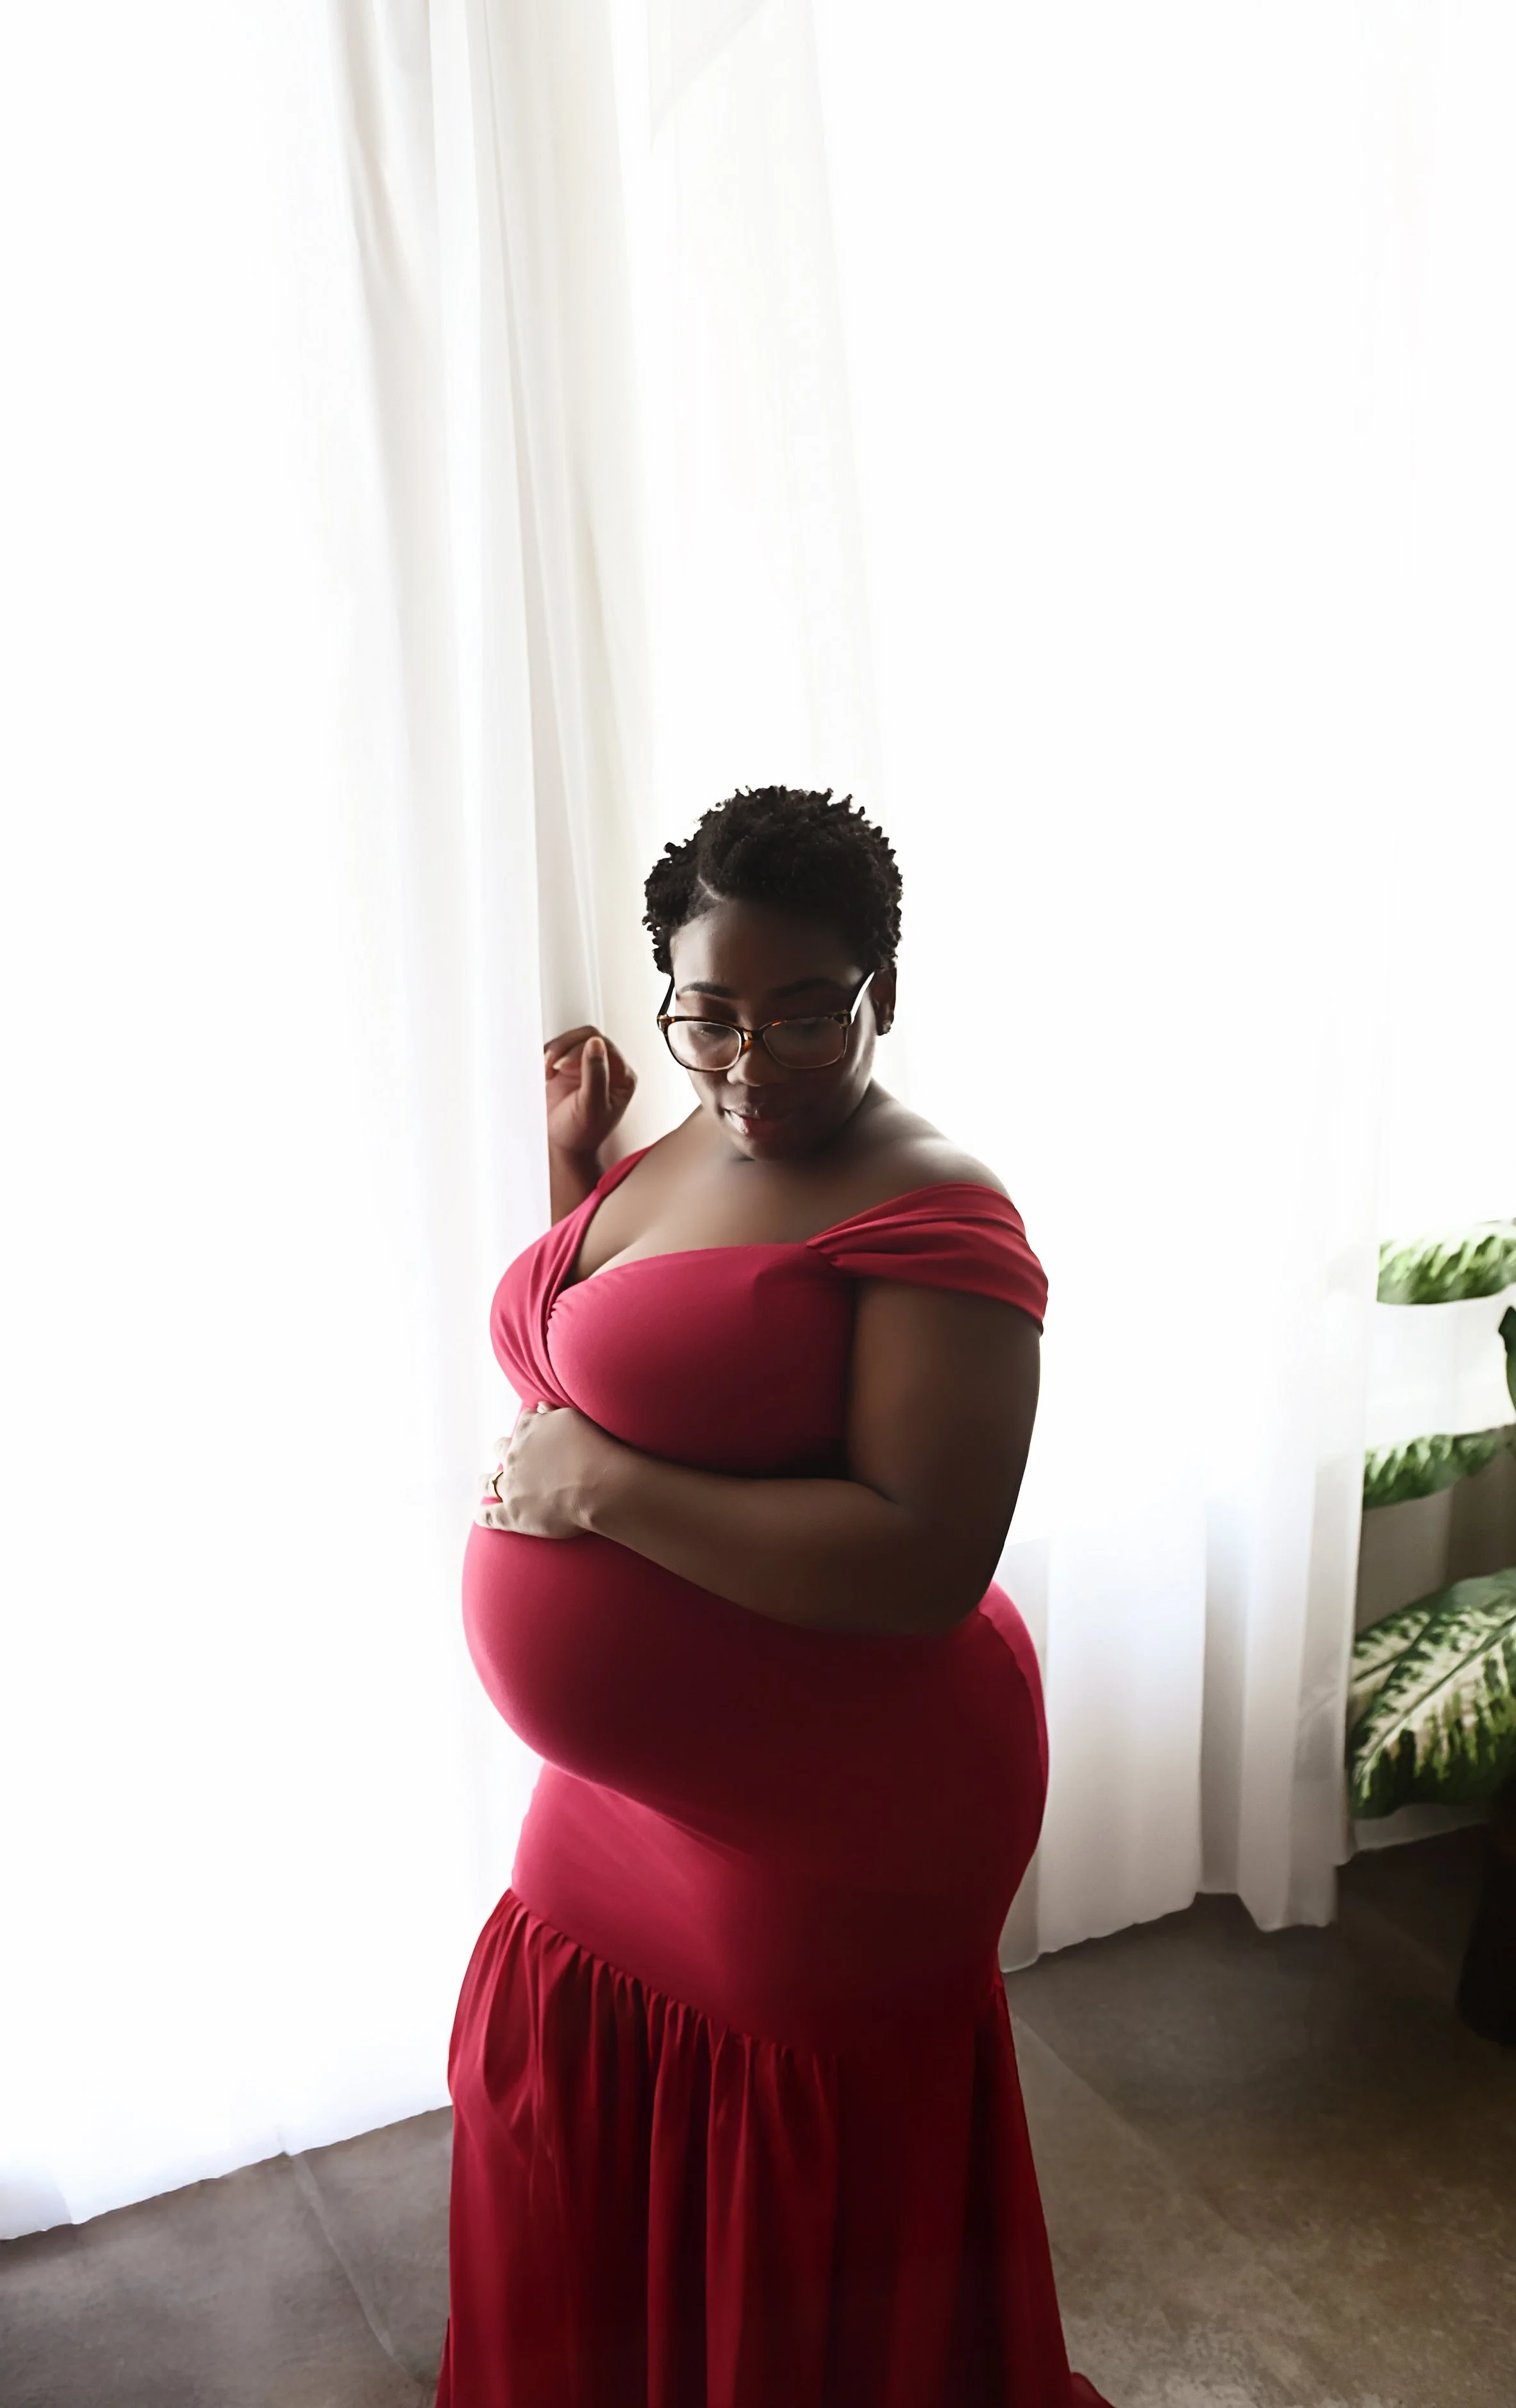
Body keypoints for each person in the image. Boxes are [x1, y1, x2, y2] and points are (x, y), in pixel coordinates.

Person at [435, 787, 1110, 2408]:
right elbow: (678, 1357)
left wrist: (599, 1489)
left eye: (807, 1019)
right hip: (625, 1799)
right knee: (563, 2104)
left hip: (838, 1808)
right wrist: (570, 1178)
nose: (753, 1065)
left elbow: (920, 1555)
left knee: (783, 2204)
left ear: (883, 990)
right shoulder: (691, 1129)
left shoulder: (933, 1212)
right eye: (710, 1016)